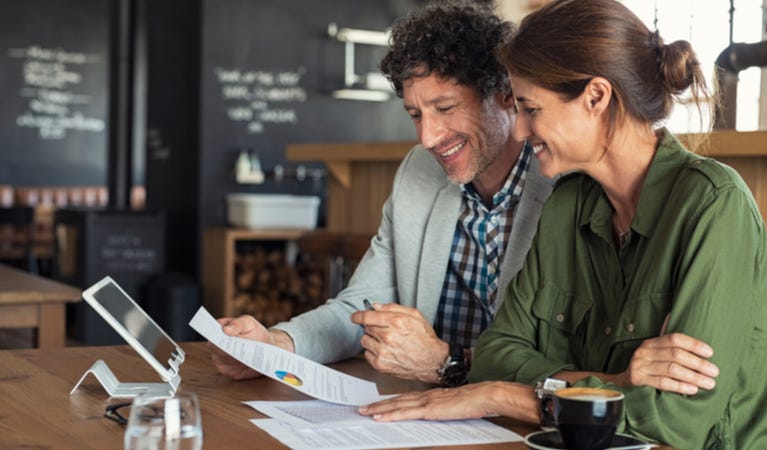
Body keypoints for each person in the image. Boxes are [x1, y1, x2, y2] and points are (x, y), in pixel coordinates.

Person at [358, 1, 767, 448]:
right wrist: (615, 381)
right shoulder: (567, 203)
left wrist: (505, 396)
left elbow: (676, 420)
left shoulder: (715, 205)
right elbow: (494, 355)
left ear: (596, 98)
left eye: (531, 108)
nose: (519, 131)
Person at [210, 1, 552, 386]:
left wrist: (449, 362)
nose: (428, 138)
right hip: (433, 414)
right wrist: (275, 343)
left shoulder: (562, 184)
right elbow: (362, 307)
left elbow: (563, 358)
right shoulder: (417, 172)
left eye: (445, 107)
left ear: (505, 94)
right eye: (416, 114)